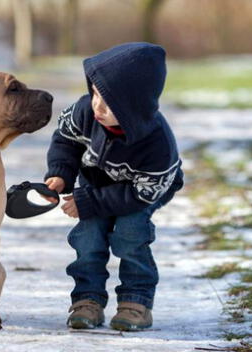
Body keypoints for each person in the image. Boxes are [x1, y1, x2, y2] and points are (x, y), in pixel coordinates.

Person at [44, 42, 184, 331]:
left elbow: (141, 193)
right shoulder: (84, 112)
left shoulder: (157, 144)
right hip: (98, 181)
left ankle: (136, 302)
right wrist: (61, 173)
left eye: (109, 102)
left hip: (143, 189)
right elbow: (65, 141)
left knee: (130, 232)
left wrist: (89, 201)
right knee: (89, 235)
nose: (97, 105)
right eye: (94, 93)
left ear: (134, 107)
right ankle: (87, 300)